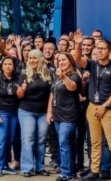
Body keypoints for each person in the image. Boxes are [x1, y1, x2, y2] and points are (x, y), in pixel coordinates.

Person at [73, 32, 111, 181]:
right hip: (92, 107)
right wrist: (77, 44)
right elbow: (77, 59)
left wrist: (105, 105)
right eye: (98, 48)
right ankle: (95, 171)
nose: (99, 50)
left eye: (102, 48)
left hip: (108, 108)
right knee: (94, 142)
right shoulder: (93, 65)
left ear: (109, 51)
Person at [17, 49, 52, 177]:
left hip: (43, 112)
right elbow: (19, 95)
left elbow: (52, 94)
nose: (32, 60)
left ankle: (40, 167)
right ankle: (27, 168)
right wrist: (23, 89)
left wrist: (50, 112)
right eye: (30, 58)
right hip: (27, 111)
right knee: (28, 139)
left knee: (41, 140)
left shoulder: (48, 74)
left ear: (40, 59)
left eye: (34, 58)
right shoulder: (24, 74)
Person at [46, 52, 81, 181]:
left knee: (64, 142)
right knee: (68, 143)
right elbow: (52, 94)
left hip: (69, 115)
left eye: (64, 60)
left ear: (70, 61)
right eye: (59, 60)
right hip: (57, 115)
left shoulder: (74, 75)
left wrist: (63, 76)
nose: (61, 62)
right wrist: (49, 112)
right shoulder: (57, 77)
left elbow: (72, 87)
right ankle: (71, 171)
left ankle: (66, 173)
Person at [0, 56, 20, 177]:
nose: (8, 66)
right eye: (5, 64)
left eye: (10, 64)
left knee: (10, 140)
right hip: (2, 112)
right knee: (1, 140)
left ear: (13, 66)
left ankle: (5, 165)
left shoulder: (17, 79)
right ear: (2, 66)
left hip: (14, 113)